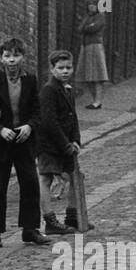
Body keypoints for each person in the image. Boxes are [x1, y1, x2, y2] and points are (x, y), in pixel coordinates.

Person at [0, 37, 48, 247]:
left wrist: (29, 126)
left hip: (23, 140)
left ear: (23, 58)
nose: (12, 60)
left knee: (30, 183)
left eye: (16, 55)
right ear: (1, 58)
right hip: (0, 143)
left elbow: (38, 110)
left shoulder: (30, 80)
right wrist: (0, 130)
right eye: (7, 56)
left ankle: (30, 229)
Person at [37, 50, 89, 235]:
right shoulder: (48, 90)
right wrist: (65, 144)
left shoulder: (68, 89)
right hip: (49, 145)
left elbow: (72, 117)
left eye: (68, 67)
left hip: (67, 143)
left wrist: (76, 140)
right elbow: (49, 121)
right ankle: (50, 220)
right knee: (46, 178)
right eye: (60, 68)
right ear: (52, 69)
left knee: (74, 177)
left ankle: (72, 217)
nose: (65, 71)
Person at [76, 0, 109, 109]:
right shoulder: (87, 17)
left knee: (97, 76)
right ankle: (95, 100)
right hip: (85, 47)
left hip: (95, 46)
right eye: (89, 4)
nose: (91, 6)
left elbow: (94, 28)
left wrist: (87, 27)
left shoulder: (100, 17)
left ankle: (97, 101)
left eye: (94, 4)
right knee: (88, 76)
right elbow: (80, 29)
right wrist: (86, 26)